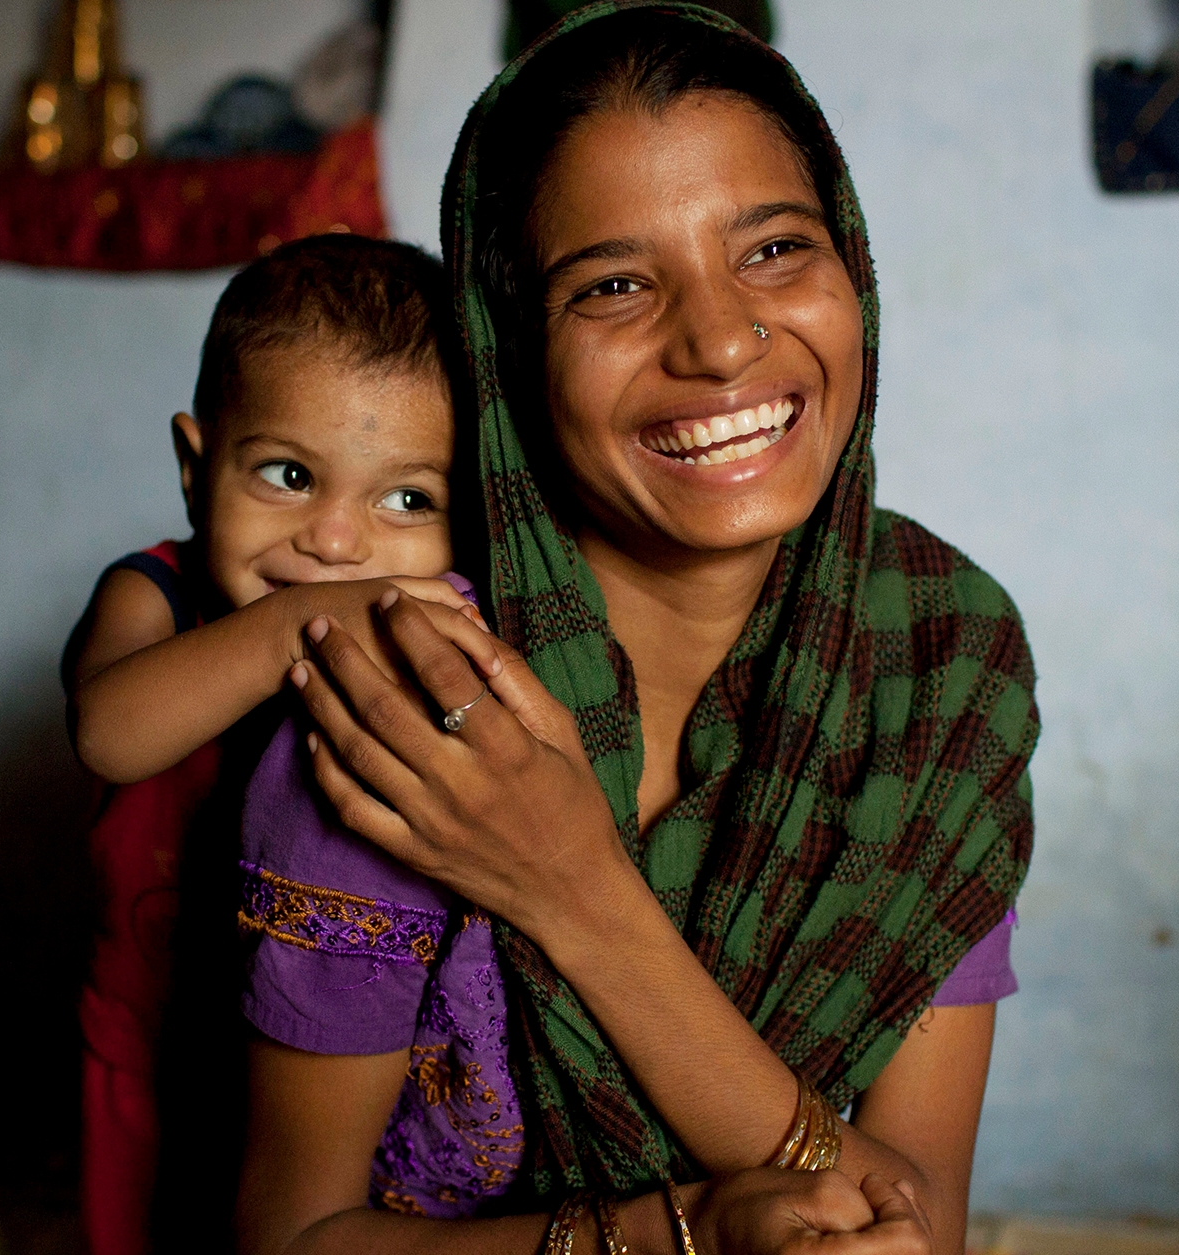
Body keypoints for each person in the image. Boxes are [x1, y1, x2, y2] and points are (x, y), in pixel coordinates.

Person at [236, 5, 1040, 1253]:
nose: (721, 340)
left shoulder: (934, 667)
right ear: (509, 356)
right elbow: (292, 1241)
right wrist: (684, 1231)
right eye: (613, 284)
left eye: (774, 250)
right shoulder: (409, 702)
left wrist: (575, 891)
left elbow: (912, 1227)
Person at [58, 232, 478, 1255]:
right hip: (154, 1039)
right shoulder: (154, 591)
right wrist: (305, 622)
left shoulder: (418, 640)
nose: (334, 542)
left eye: (405, 499)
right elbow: (109, 734)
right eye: (288, 474)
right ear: (196, 469)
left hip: (328, 1057)